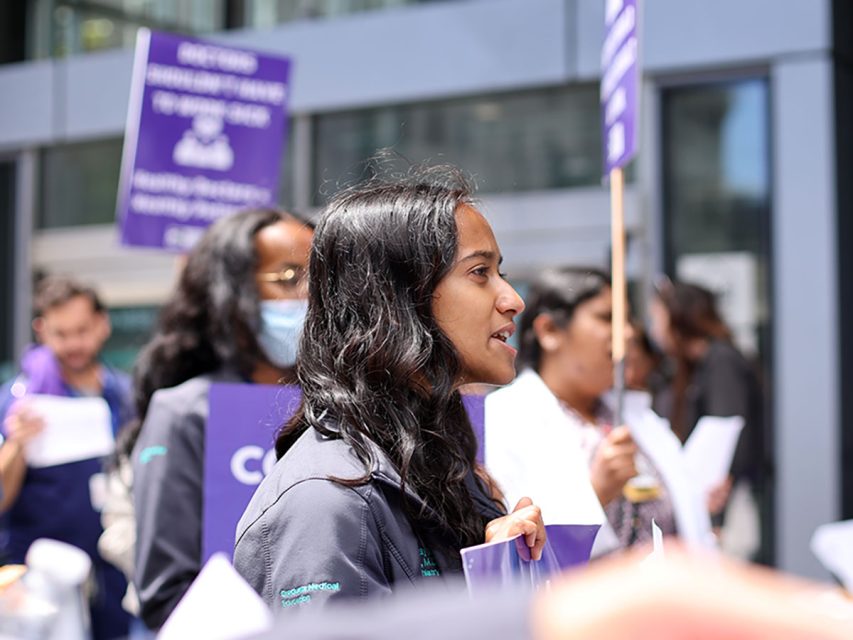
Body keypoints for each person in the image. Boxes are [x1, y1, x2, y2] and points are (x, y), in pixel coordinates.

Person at [234, 167, 546, 610]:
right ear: (398, 299)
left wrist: (497, 569)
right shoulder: (327, 502)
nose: (513, 299)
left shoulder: (440, 465)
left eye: (501, 272)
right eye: (480, 272)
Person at [128, 208, 314, 630]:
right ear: (233, 294)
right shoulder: (185, 413)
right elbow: (166, 591)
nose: (310, 295)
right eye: (289, 278)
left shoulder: (342, 405)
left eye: (321, 277)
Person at [485, 267, 713, 553]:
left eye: (628, 320)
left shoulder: (633, 415)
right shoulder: (505, 419)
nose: (628, 333)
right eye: (608, 318)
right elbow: (518, 545)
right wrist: (596, 492)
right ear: (550, 331)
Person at [0, 276, 134, 640]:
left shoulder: (124, 395)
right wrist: (16, 444)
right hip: (38, 577)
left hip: (112, 572)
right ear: (41, 330)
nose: (74, 343)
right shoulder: (18, 401)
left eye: (82, 330)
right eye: (61, 333)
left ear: (102, 325)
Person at [649, 280, 764, 539]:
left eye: (658, 319)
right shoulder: (690, 368)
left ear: (678, 319)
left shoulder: (721, 361)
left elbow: (726, 438)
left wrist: (714, 517)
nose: (655, 331)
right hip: (708, 503)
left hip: (722, 505)